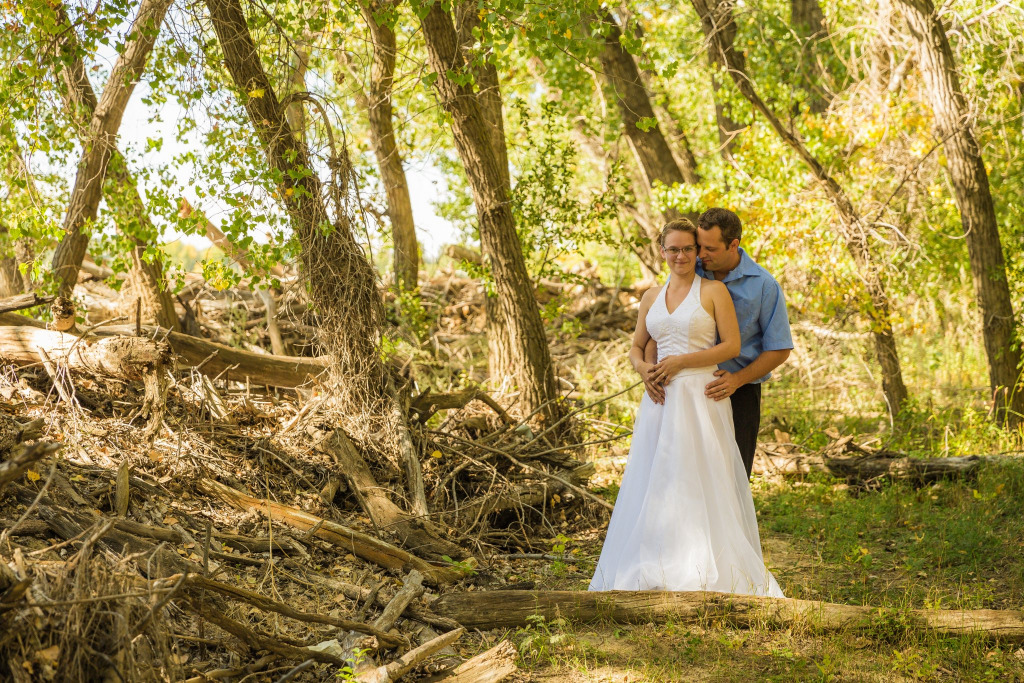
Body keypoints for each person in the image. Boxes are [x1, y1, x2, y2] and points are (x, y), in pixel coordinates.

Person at [589, 219, 783, 596]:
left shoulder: (713, 291)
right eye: (673, 249)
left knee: (702, 478)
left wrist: (681, 363)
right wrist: (645, 370)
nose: (681, 256)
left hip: (701, 396)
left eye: (688, 249)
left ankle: (706, 568)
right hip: (660, 400)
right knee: (657, 480)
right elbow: (637, 345)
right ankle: (654, 563)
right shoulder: (649, 296)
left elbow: (731, 347)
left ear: (697, 252)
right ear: (662, 252)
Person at [644, 208, 793, 479]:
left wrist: (737, 379)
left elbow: (780, 347)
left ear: (733, 244)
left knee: (731, 477)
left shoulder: (764, 285)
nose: (701, 255)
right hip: (687, 390)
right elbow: (663, 323)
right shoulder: (691, 267)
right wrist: (650, 370)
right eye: (700, 246)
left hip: (739, 389)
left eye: (710, 248)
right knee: (687, 474)